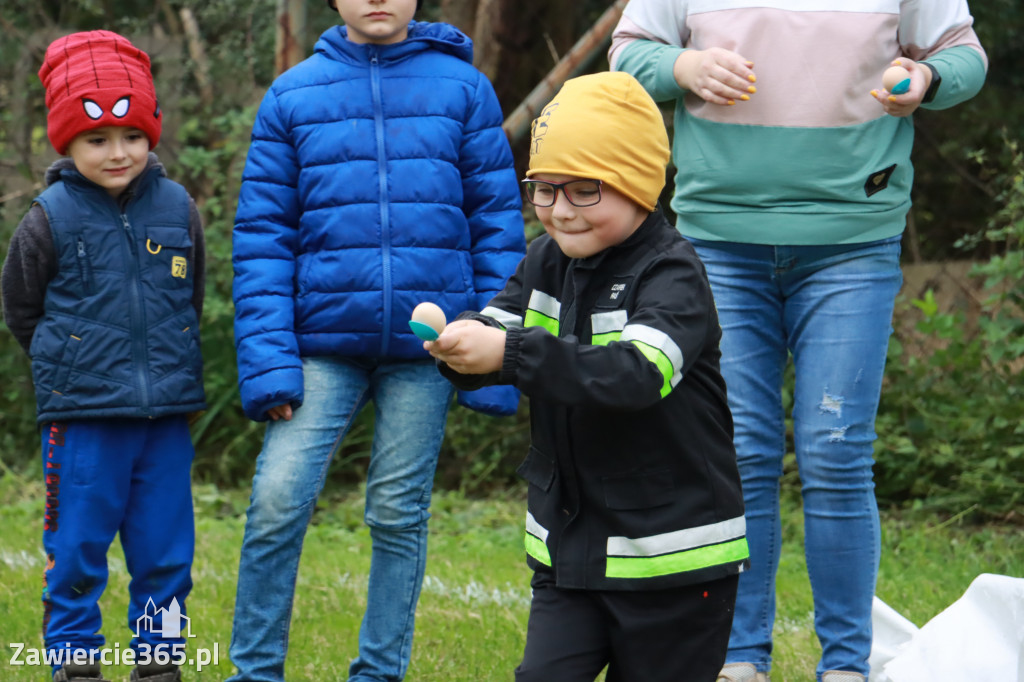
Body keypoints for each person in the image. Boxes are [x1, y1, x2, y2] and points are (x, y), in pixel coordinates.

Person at [609, 3, 988, 681]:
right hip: (719, 241)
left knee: (836, 454)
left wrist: (925, 79)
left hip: (852, 240)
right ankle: (739, 656)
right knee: (736, 451)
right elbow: (629, 55)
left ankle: (846, 664)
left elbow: (965, 56)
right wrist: (685, 66)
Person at [227, 0, 526, 680]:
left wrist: (492, 342)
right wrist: (271, 362)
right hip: (320, 346)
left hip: (430, 349)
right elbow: (262, 240)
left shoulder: (463, 88)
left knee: (397, 512)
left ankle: (379, 672)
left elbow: (498, 225)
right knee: (277, 498)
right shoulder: (293, 94)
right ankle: (253, 672)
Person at [427, 71, 749, 682]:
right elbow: (499, 322)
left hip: (672, 564)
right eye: (544, 190)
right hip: (569, 551)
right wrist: (461, 344)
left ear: (638, 187)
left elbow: (633, 375)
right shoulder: (544, 259)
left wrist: (509, 353)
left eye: (583, 191)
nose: (559, 212)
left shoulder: (673, 274)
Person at [1, 30, 206, 682]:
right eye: (97, 139)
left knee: (167, 553)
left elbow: (190, 297)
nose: (118, 153)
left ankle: (159, 659)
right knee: (77, 550)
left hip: (166, 417)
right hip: (84, 417)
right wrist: (75, 364)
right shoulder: (48, 217)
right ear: (66, 140)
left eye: (133, 137)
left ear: (152, 134)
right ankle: (74, 662)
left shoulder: (179, 208)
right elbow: (22, 310)